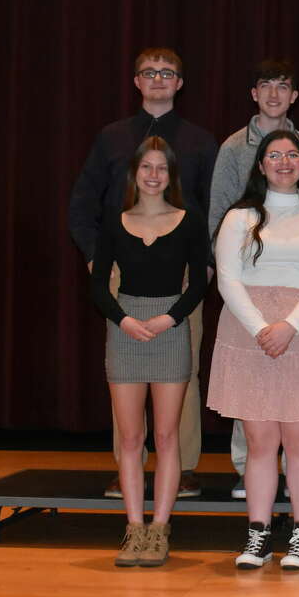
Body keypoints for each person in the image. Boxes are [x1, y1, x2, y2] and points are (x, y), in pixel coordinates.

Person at [69, 47, 217, 500]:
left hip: (183, 277)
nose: (158, 79)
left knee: (183, 370)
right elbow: (81, 206)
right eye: (149, 73)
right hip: (122, 272)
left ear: (179, 83)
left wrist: (207, 264)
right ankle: (127, 465)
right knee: (126, 375)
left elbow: (217, 209)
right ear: (136, 81)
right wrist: (98, 258)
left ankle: (184, 467)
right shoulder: (111, 138)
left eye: (167, 73)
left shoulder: (198, 141)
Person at [207, 130, 299, 570]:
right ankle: (258, 534)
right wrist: (261, 329)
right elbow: (227, 279)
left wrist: (289, 326)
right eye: (275, 155)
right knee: (259, 441)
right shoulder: (238, 217)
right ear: (261, 164)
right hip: (249, 331)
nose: (284, 162)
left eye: (292, 155)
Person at [207, 58, 299, 500]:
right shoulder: (231, 148)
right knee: (251, 397)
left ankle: (294, 490)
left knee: (296, 413)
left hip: (298, 301)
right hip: (247, 284)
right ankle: (250, 473)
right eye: (266, 85)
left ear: (294, 96)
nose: (275, 94)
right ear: (254, 94)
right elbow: (220, 209)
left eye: (284, 86)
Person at [90, 137, 208, 567]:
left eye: (162, 168)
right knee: (131, 438)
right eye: (147, 168)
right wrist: (123, 319)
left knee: (165, 436)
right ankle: (134, 528)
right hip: (126, 327)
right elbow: (99, 284)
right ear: (134, 174)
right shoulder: (115, 220)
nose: (154, 175)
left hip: (169, 328)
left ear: (170, 175)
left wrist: (169, 318)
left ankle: (160, 528)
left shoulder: (189, 219)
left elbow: (198, 282)